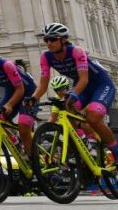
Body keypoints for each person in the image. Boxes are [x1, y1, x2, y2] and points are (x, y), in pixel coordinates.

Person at [29, 23, 118, 162]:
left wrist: (73, 94)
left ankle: (115, 151)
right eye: (46, 40)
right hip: (82, 86)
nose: (48, 43)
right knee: (66, 109)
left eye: (52, 39)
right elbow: (43, 84)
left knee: (93, 117)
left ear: (63, 39)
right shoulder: (46, 57)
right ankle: (87, 141)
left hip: (101, 84)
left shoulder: (76, 51)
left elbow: (84, 78)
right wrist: (33, 98)